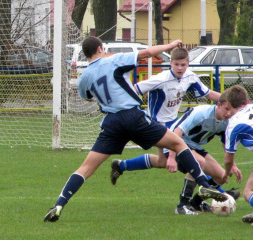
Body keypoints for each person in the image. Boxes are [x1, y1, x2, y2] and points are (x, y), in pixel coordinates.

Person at [43, 36, 227, 222]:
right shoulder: (114, 60)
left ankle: (59, 204)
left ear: (85, 54)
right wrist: (170, 45)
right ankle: (204, 185)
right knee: (179, 144)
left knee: (86, 168)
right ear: (100, 48)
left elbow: (88, 96)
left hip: (111, 123)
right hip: (133, 116)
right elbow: (147, 53)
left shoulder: (85, 77)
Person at [118, 90, 243, 215]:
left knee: (221, 176)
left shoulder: (226, 122)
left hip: (193, 146)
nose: (228, 113)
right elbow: (176, 133)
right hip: (174, 143)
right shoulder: (202, 113)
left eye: (231, 110)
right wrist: (172, 157)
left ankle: (196, 203)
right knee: (198, 162)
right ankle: (182, 205)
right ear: (218, 104)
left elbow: (225, 144)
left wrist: (232, 165)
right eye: (226, 108)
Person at [222, 85, 253, 225]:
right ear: (247, 101)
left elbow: (228, 159)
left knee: (248, 192)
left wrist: (226, 173)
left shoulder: (233, 124)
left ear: (228, 104)